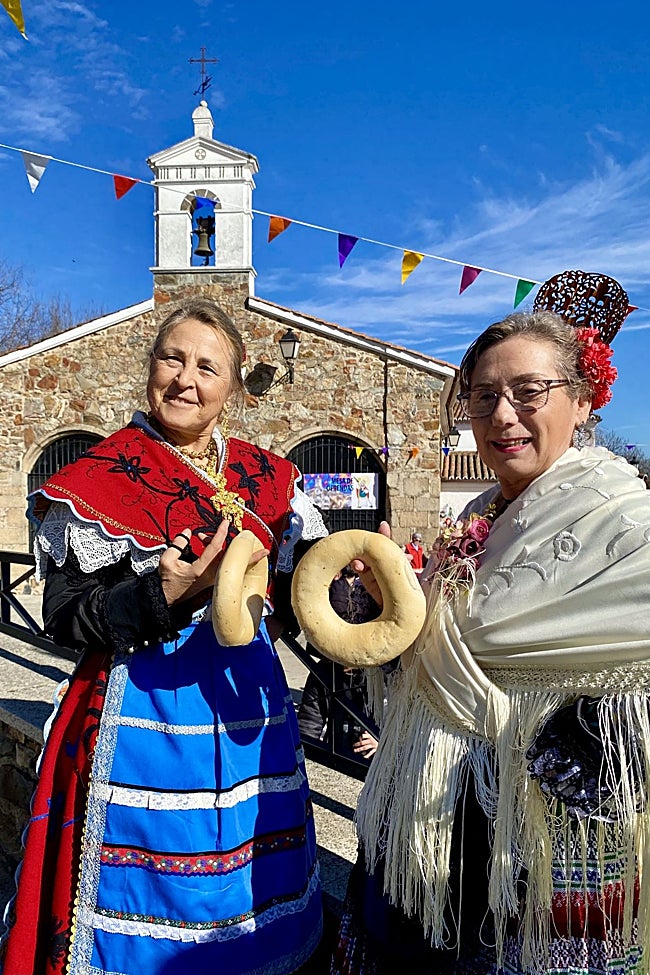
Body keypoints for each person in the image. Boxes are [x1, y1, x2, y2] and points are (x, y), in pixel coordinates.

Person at [0, 298, 327, 975]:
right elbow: (64, 614)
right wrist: (161, 597)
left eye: (207, 366)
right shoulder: (99, 476)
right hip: (140, 722)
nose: (185, 379)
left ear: (233, 385)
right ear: (149, 366)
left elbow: (291, 596)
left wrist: (342, 590)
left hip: (252, 721)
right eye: (172, 359)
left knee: (251, 886)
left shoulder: (268, 478)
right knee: (152, 894)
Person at [331, 308, 650, 974]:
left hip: (538, 852)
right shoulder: (479, 517)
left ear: (582, 401)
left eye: (529, 392)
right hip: (423, 835)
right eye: (483, 397)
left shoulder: (625, 523)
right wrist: (384, 606)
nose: (503, 415)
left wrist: (583, 742)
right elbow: (434, 647)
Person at [297, 566, 380, 762]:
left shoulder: (388, 675)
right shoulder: (325, 672)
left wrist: (383, 740)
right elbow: (308, 724)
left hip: (381, 762)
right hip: (338, 756)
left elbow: (405, 722)